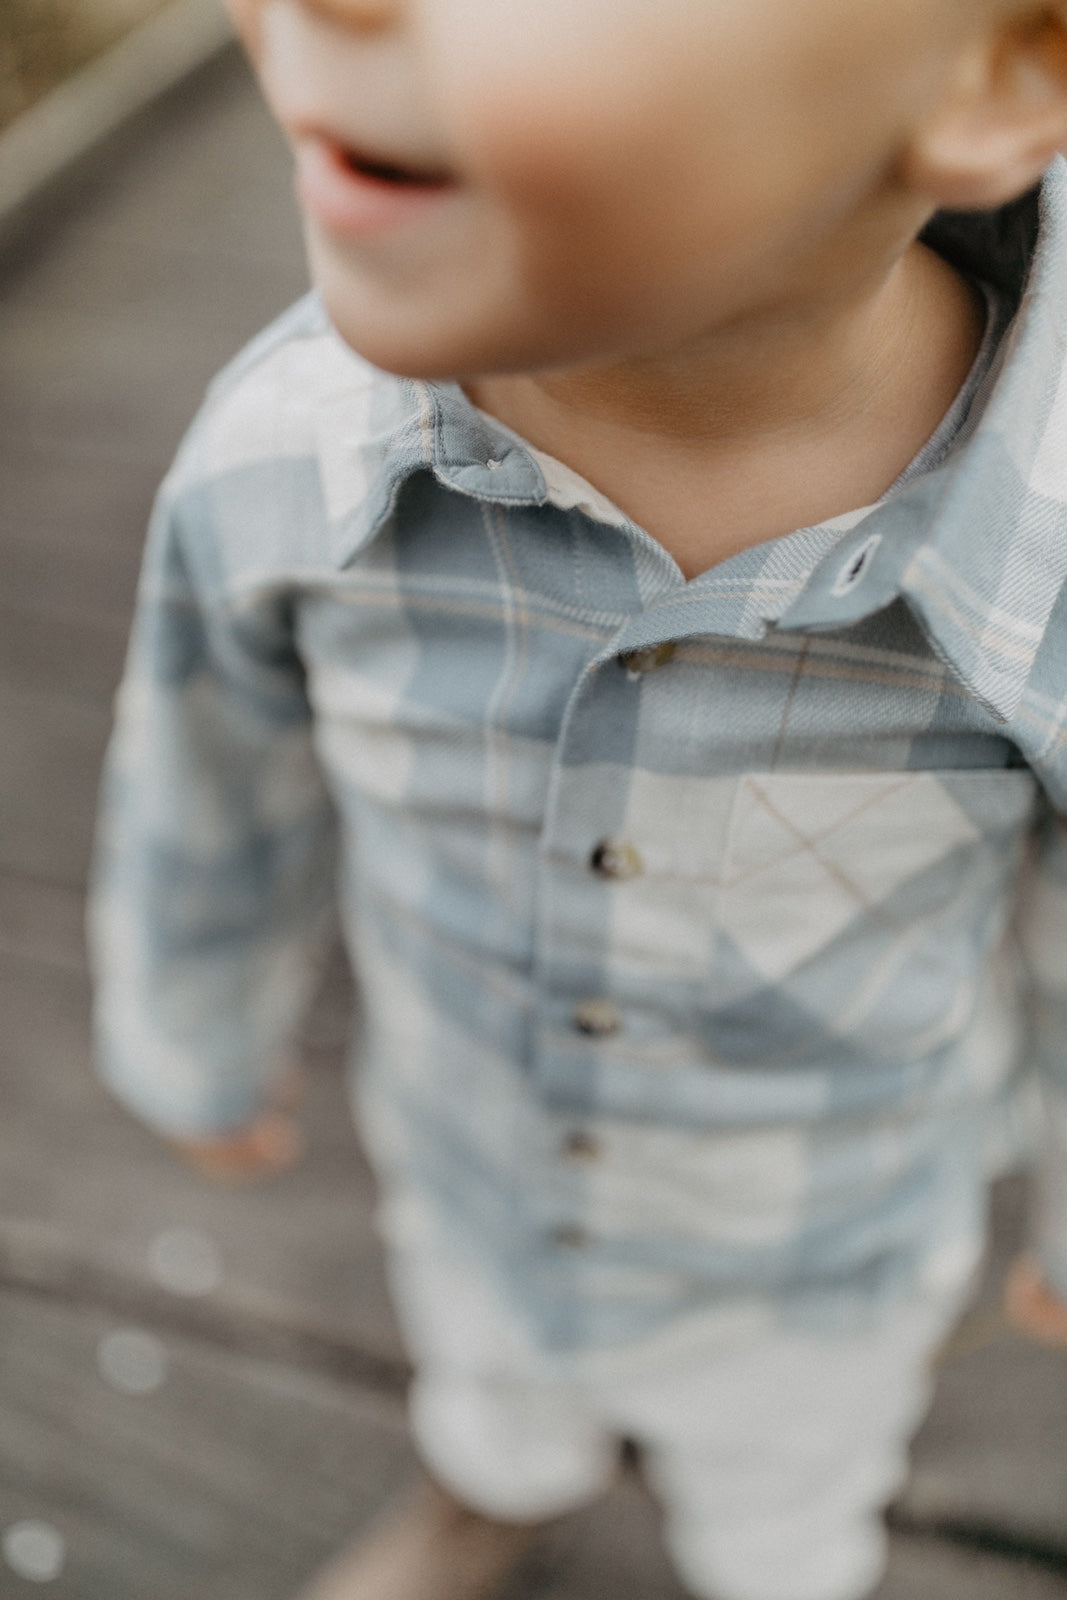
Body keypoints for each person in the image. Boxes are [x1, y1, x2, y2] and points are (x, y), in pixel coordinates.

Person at [90, 0, 1067, 1596]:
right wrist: (191, 1035)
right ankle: (496, 1490)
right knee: (488, 1379)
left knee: (786, 1503)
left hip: (820, 1256)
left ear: (1001, 71)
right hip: (475, 1162)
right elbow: (209, 777)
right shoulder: (281, 457)